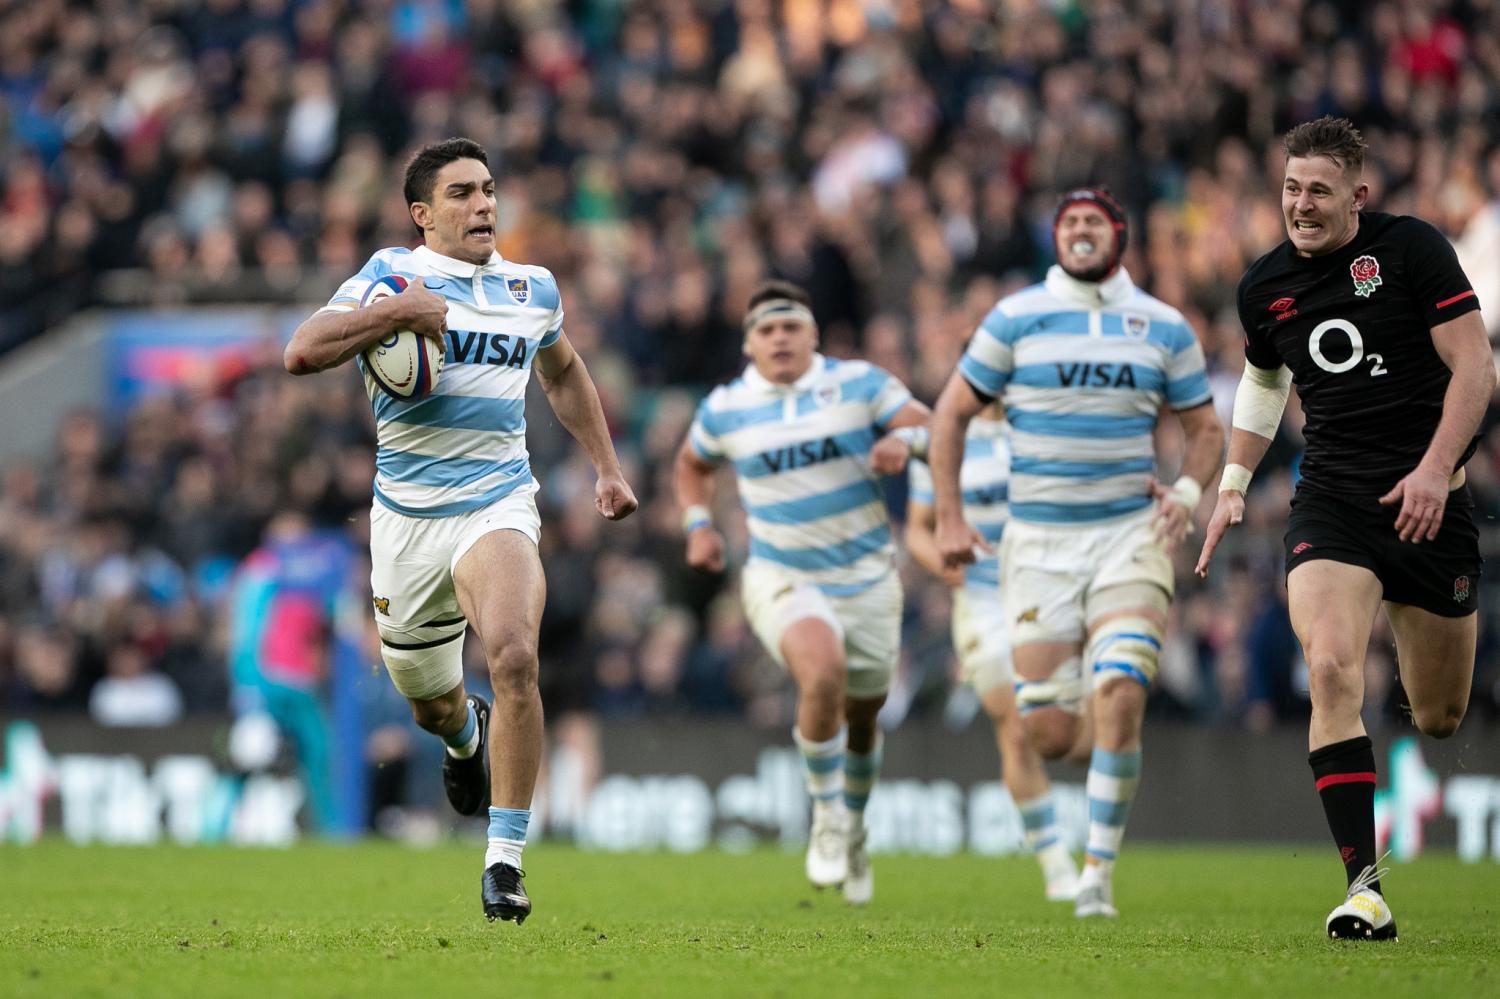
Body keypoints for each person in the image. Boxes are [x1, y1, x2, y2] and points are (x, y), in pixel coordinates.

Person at [284, 137, 638, 924]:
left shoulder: (531, 288)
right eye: (461, 194)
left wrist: (606, 467)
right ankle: (462, 739)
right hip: (407, 523)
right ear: (422, 214)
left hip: (498, 503)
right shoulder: (390, 273)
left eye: (488, 189)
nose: (483, 204)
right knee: (430, 703)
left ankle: (504, 859)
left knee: (513, 653)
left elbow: (565, 369)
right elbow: (301, 352)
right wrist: (398, 313)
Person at [1196, 116, 1493, 941]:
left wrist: (1436, 469)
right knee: (1330, 665)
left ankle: (1418, 637)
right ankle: (1364, 887)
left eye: (1318, 190)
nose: (1301, 204)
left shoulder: (1412, 251)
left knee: (1437, 714)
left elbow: (1476, 364)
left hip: (1432, 500)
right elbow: (1263, 379)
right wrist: (1232, 482)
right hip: (1332, 500)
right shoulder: (1264, 286)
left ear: (1357, 194)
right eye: (1291, 188)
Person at [928, 187, 1223, 919]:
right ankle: (1088, 744)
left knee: (1121, 692)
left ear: (1119, 235)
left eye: (1094, 220)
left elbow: (1206, 429)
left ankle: (1096, 873)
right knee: (1050, 734)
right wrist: (949, 516)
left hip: (1130, 533)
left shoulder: (1161, 325)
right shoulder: (1014, 317)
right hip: (1038, 546)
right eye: (1069, 222)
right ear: (1055, 238)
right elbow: (952, 413)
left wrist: (1186, 493)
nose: (1081, 230)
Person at [673, 278, 930, 906]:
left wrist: (903, 440)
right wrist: (699, 524)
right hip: (782, 572)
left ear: (814, 335)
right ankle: (826, 816)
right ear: (749, 344)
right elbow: (691, 465)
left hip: (868, 575)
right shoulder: (728, 406)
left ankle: (856, 827)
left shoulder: (859, 383)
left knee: (864, 719)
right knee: (821, 674)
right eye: (766, 330)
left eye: (791, 327)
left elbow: (929, 423)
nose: (780, 339)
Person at [905, 405, 1081, 901]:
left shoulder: (1040, 424)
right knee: (1014, 720)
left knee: (1064, 729)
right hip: (981, 598)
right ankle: (1054, 862)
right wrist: (940, 562)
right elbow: (917, 527)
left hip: (1044, 590)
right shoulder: (944, 443)